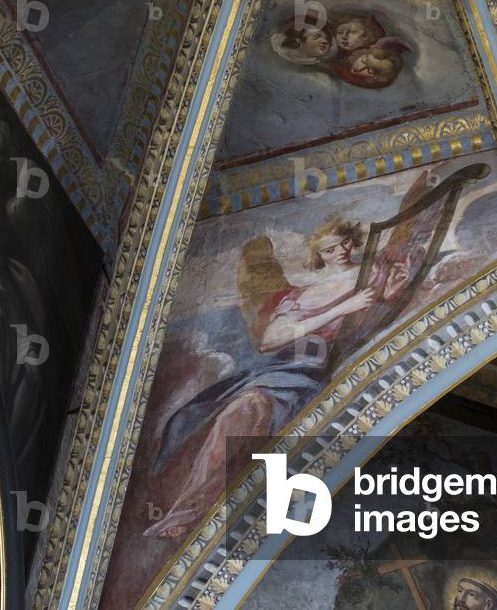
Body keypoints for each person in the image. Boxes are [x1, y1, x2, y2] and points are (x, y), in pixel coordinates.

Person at [144, 216, 414, 538]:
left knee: (242, 413)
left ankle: (195, 512)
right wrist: (339, 309)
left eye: (343, 242)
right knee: (210, 415)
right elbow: (270, 339)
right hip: (280, 369)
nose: (339, 251)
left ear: (353, 240)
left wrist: (391, 293)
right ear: (319, 256)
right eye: (328, 249)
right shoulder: (305, 294)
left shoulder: (371, 275)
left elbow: (369, 321)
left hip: (309, 372)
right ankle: (188, 512)